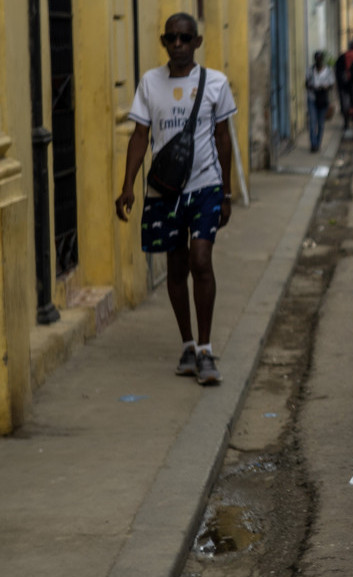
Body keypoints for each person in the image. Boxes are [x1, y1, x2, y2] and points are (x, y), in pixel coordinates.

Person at [114, 12, 237, 385]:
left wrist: (227, 192)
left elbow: (223, 138)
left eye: (185, 38)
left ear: (197, 42)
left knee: (201, 258)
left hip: (205, 186)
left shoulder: (216, 83)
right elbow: (139, 137)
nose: (178, 44)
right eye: (172, 38)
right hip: (163, 191)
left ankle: (205, 349)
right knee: (176, 264)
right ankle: (186, 344)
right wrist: (127, 186)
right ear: (165, 42)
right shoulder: (150, 83)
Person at [306, 50, 335, 152]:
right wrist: (313, 87)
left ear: (322, 60)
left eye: (320, 59)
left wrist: (325, 87)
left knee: (321, 124)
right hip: (313, 99)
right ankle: (313, 145)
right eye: (317, 59)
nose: (318, 61)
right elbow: (306, 84)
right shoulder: (310, 70)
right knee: (312, 123)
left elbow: (332, 85)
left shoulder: (328, 71)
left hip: (323, 100)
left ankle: (318, 143)